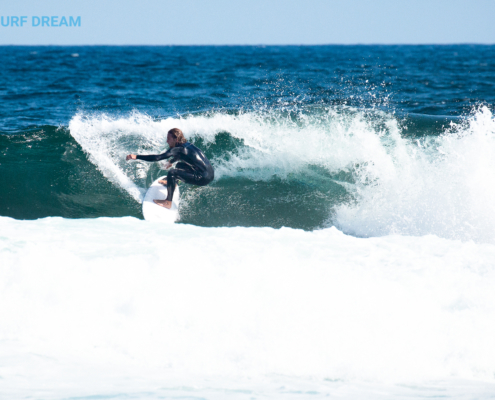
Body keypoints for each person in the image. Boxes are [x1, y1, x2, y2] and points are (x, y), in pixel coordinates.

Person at [126, 128, 214, 209]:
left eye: (169, 139)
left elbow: (158, 157)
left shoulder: (177, 149)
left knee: (172, 173)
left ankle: (168, 202)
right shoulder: (186, 145)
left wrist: (136, 156)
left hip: (203, 178)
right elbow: (181, 155)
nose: (167, 141)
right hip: (210, 174)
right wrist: (171, 162)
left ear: (176, 139)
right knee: (179, 165)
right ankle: (174, 183)